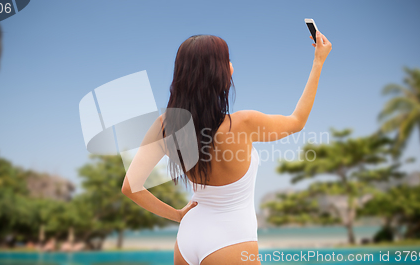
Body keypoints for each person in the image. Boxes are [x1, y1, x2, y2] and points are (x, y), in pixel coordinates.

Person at [122, 30, 332, 265]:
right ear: (217, 73)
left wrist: (178, 215)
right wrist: (318, 61)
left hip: (188, 237)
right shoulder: (244, 123)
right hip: (231, 240)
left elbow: (130, 187)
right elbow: (297, 121)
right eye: (227, 60)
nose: (231, 66)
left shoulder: (165, 126)